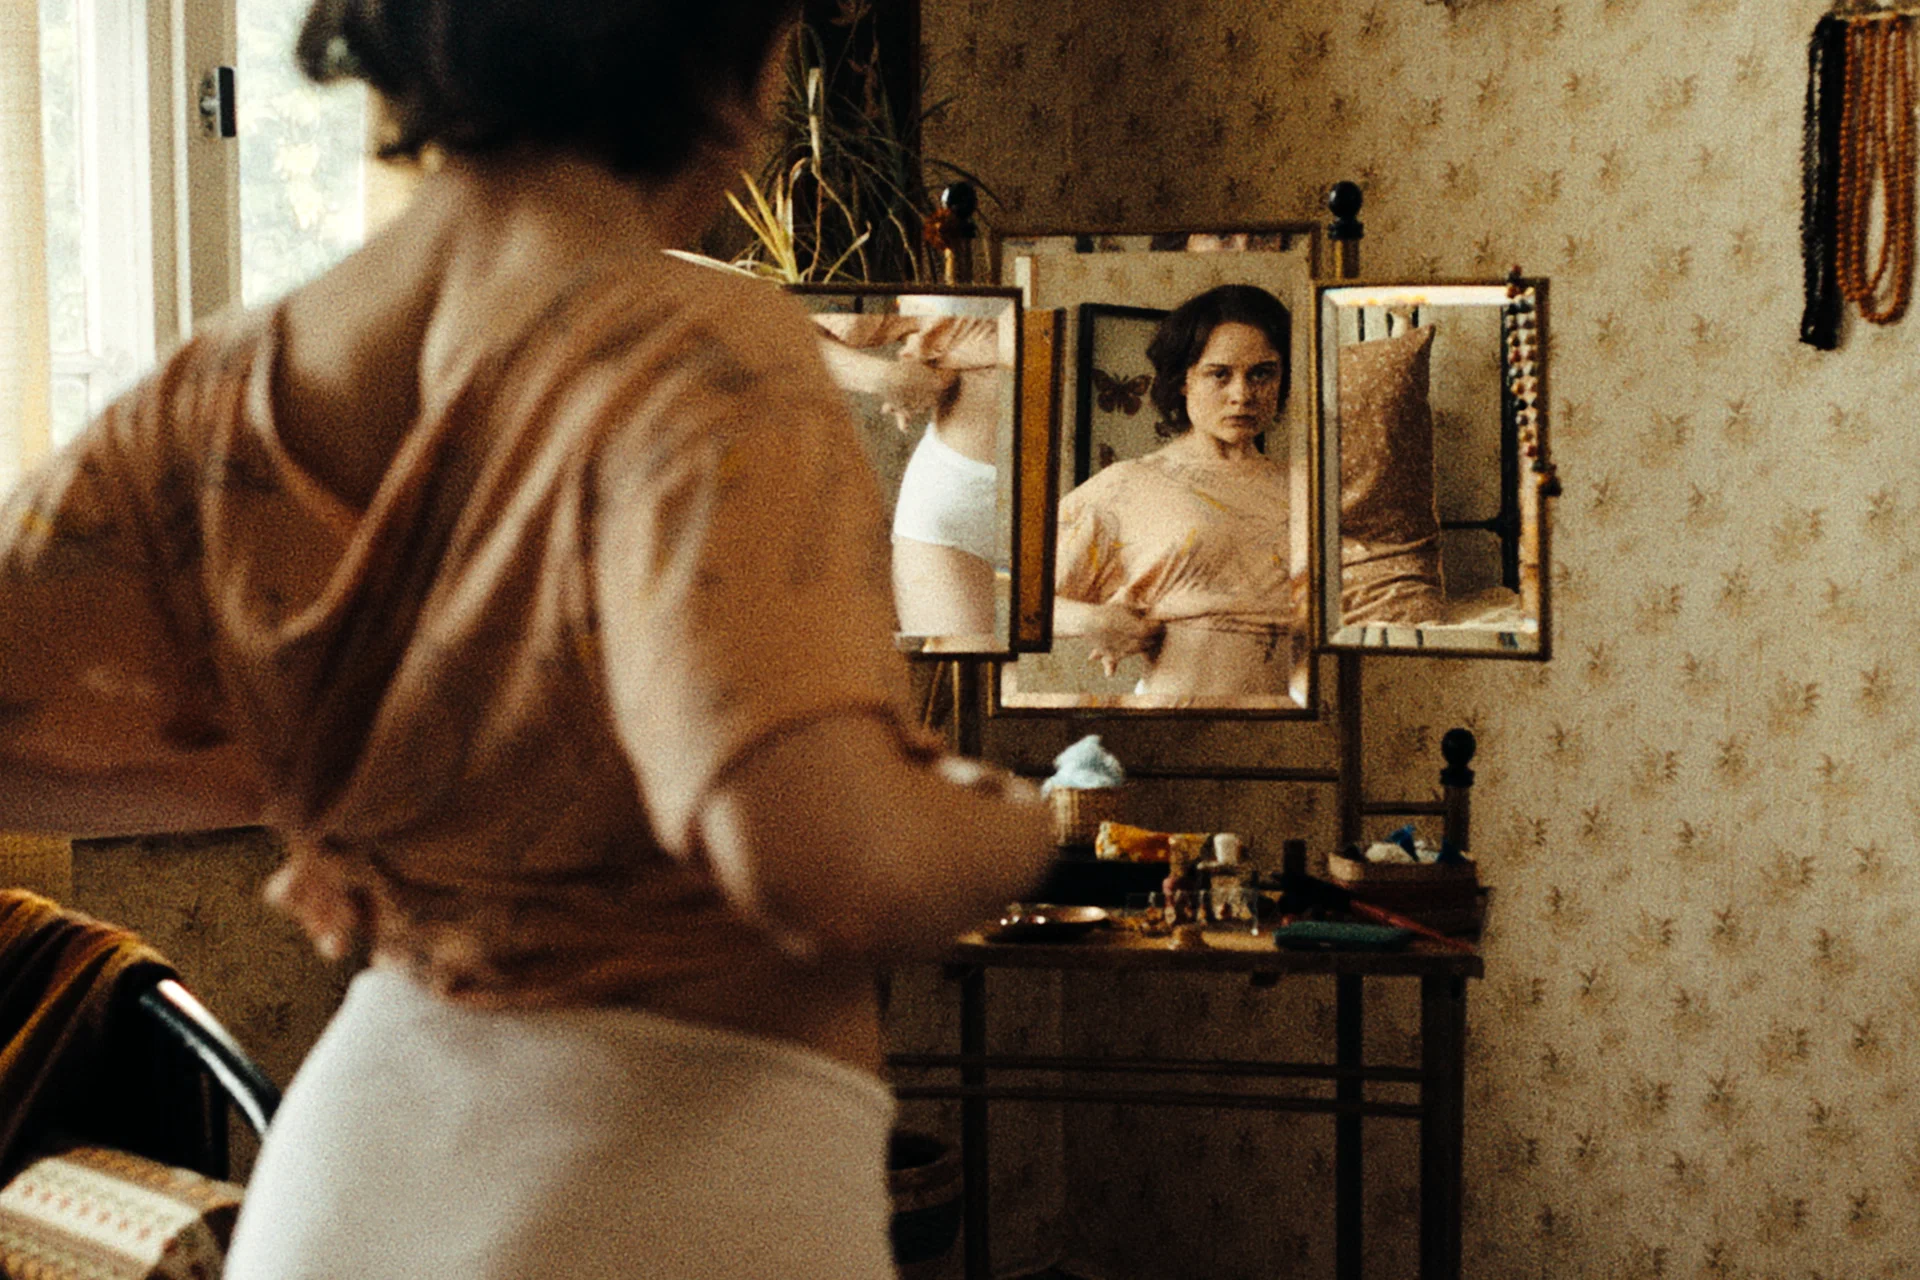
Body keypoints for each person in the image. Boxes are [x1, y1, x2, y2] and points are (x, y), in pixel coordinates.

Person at [0, 2, 1053, 1276]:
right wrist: (1022, 825)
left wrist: (317, 769)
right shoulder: (699, 350)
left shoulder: (213, 389)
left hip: (348, 1186)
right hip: (659, 1189)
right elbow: (823, 860)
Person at [1052, 284, 1297, 702]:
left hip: (1294, 722)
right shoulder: (1129, 484)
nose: (1242, 394)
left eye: (1261, 373)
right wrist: (1095, 621)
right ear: (1184, 380)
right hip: (1179, 714)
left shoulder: (1306, 486)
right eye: (1219, 374)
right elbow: (1018, 600)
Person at [811, 307, 1010, 640]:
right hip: (956, 508)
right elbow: (793, 340)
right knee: (966, 667)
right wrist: (886, 378)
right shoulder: (933, 294)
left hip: (1074, 503)